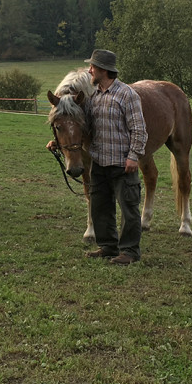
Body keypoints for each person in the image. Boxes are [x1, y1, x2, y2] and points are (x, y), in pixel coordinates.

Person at [82, 49, 147, 265]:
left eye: (92, 67)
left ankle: (129, 251)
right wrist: (60, 142)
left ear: (103, 69)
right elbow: (86, 128)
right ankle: (108, 246)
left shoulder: (127, 94)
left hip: (122, 164)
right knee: (100, 207)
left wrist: (133, 156)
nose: (89, 70)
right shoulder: (94, 97)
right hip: (99, 163)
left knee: (129, 209)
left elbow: (139, 129)